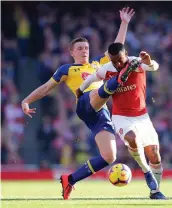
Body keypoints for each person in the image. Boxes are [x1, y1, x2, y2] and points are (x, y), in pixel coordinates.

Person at [21, 8, 135, 200]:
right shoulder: (67, 69)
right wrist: (26, 100)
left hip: (100, 112)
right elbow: (46, 87)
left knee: (109, 156)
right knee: (103, 89)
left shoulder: (98, 64)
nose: (84, 51)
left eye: (86, 48)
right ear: (72, 52)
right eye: (80, 48)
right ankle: (120, 78)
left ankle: (70, 180)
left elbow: (117, 46)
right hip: (85, 102)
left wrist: (124, 23)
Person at [77, 42, 166, 199]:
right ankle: (146, 171)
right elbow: (92, 77)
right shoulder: (108, 69)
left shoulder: (136, 62)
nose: (117, 64)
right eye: (114, 61)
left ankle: (155, 191)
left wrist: (149, 61)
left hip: (142, 116)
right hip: (121, 117)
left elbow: (155, 67)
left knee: (154, 154)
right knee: (131, 137)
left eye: (120, 60)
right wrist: (80, 90)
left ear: (126, 54)